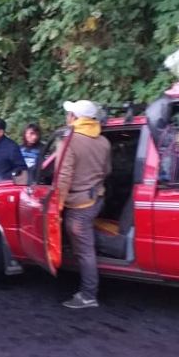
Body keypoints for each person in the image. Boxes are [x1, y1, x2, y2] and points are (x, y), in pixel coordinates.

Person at [56, 100, 111, 309]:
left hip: (78, 206)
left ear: (75, 118)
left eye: (69, 113)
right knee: (86, 240)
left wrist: (57, 207)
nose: (67, 116)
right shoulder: (104, 141)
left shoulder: (69, 141)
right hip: (97, 198)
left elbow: (63, 178)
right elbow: (107, 171)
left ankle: (88, 295)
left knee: (84, 251)